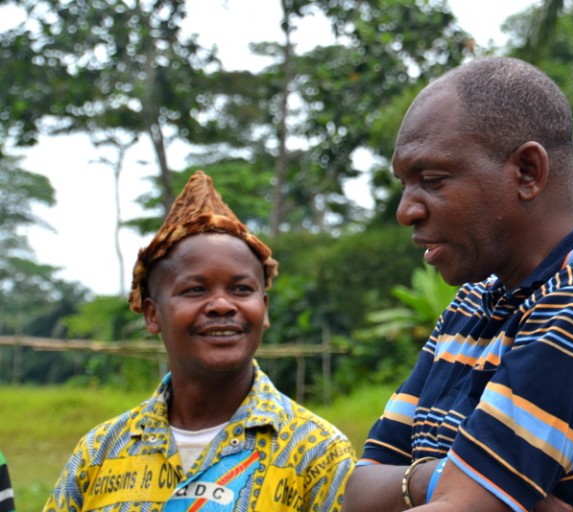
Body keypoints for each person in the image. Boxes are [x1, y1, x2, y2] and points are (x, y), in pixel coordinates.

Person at [342, 57, 573, 512]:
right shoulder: (472, 304)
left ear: (527, 171)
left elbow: (462, 506)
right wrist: (446, 476)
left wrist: (450, 488)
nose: (406, 211)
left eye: (431, 180)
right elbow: (358, 491)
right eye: (406, 184)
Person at [44, 170, 355, 512]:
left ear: (263, 309)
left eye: (241, 289)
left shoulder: (318, 454)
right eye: (195, 290)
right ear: (152, 314)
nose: (222, 305)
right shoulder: (99, 454)